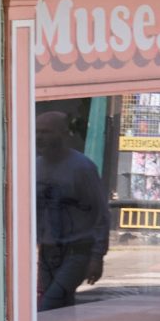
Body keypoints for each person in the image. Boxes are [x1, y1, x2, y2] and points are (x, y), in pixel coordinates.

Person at [36, 108, 109, 310]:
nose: (40, 137)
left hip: (76, 251)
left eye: (46, 132)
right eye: (37, 132)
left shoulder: (82, 168)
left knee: (48, 307)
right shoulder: (35, 167)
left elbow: (101, 214)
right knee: (62, 311)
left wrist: (96, 256)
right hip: (48, 252)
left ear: (62, 134)